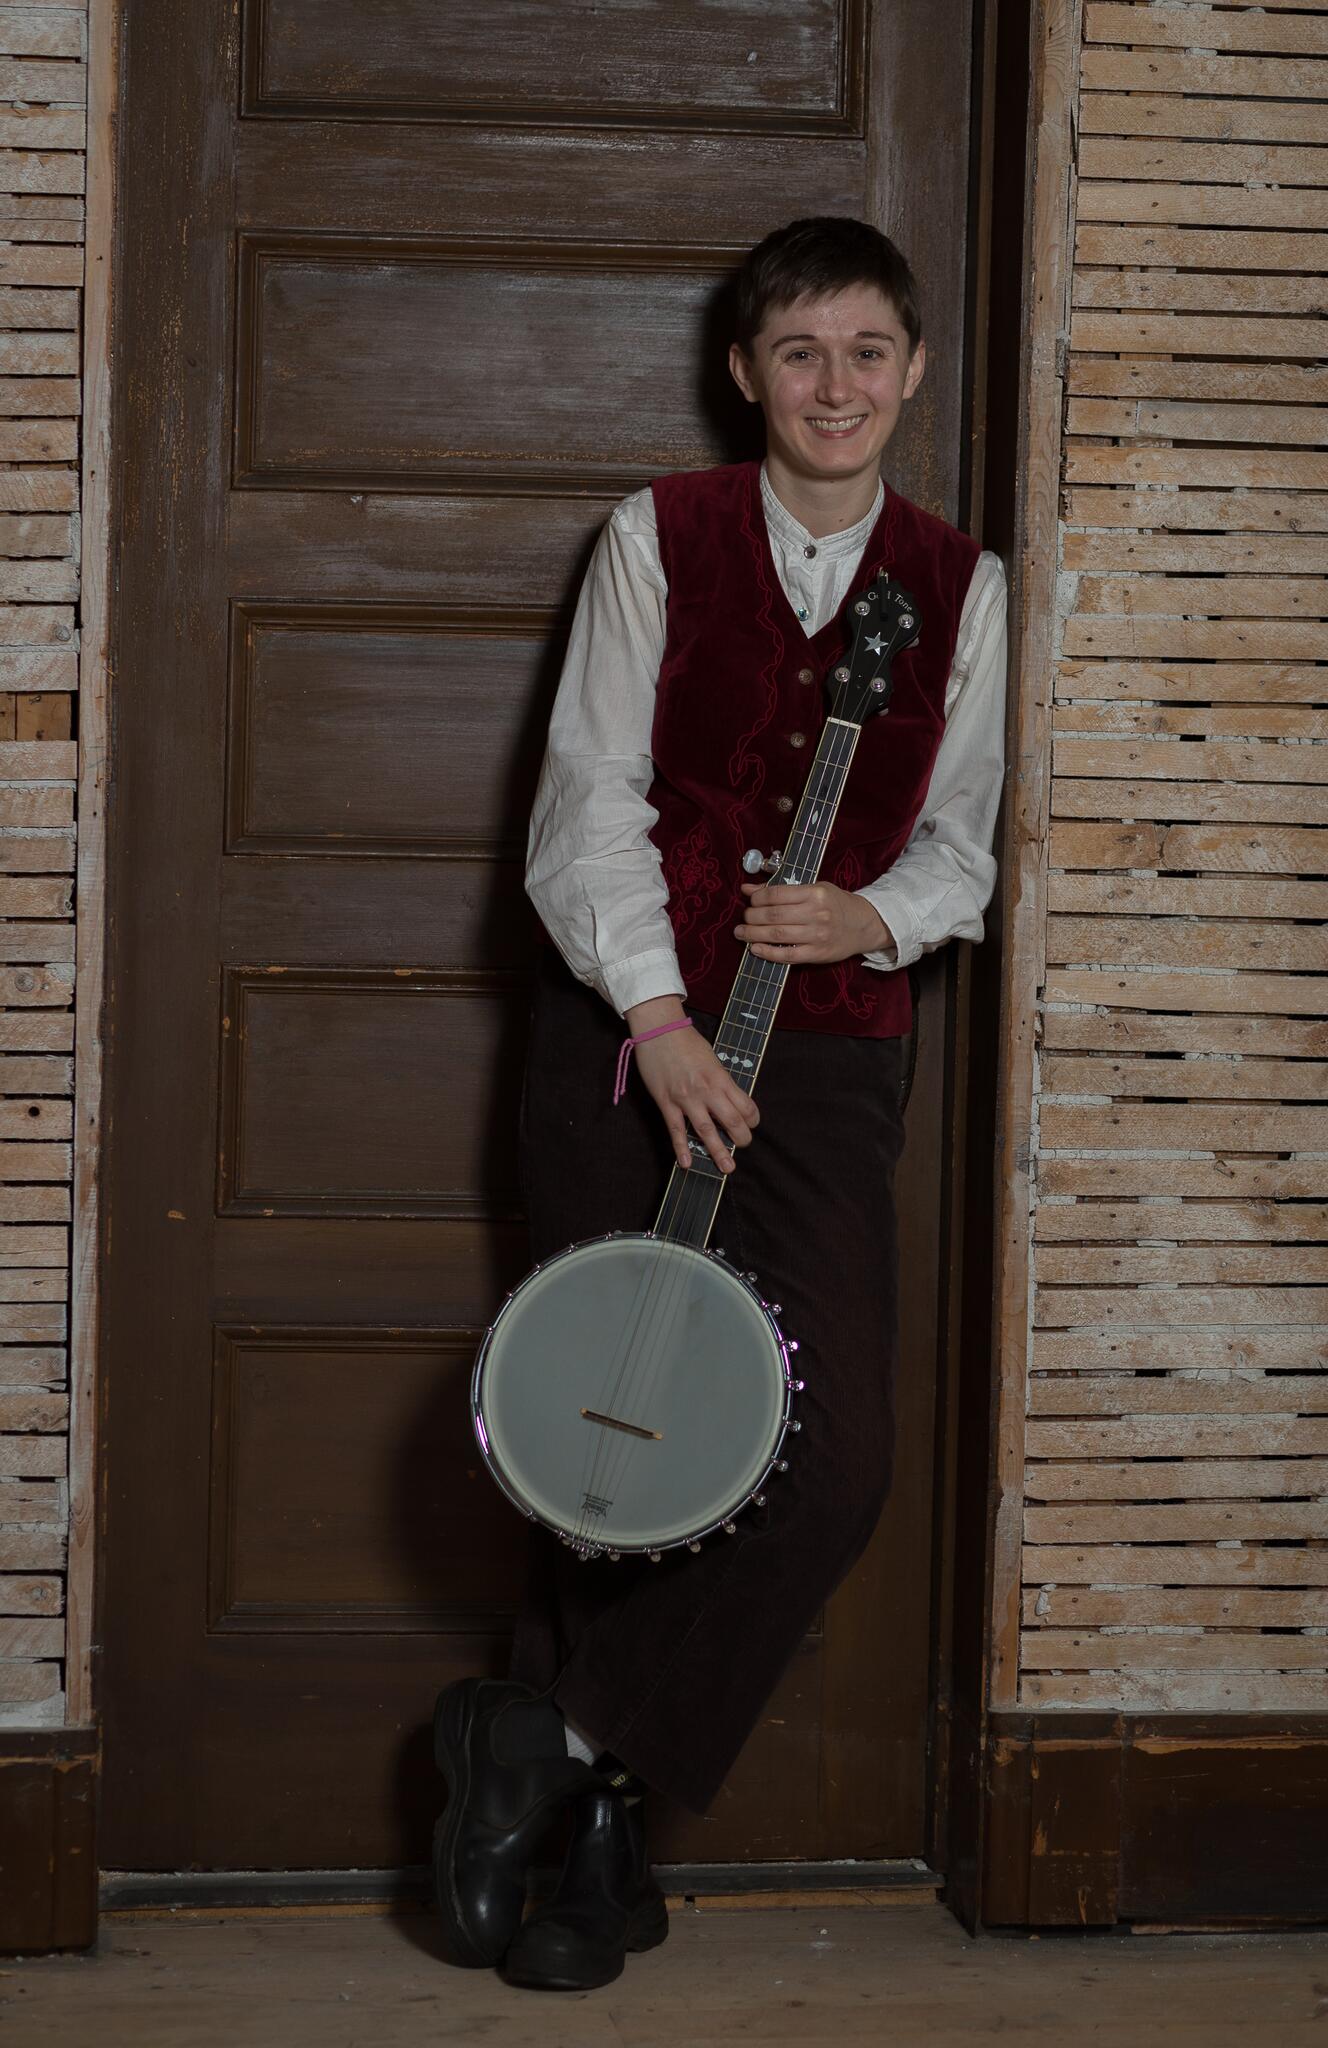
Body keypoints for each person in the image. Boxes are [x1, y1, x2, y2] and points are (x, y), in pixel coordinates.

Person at [431, 215, 1007, 1992]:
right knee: (612, 1438)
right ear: (748, 373)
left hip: (831, 1058)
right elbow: (584, 798)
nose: (835, 385)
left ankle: (548, 1746)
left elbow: (966, 849)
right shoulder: (654, 538)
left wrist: (873, 914)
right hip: (629, 1039)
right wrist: (663, 1015)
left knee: (825, 1463)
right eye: (800, 352)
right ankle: (601, 1858)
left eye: (867, 352)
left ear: (909, 372)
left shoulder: (963, 584)